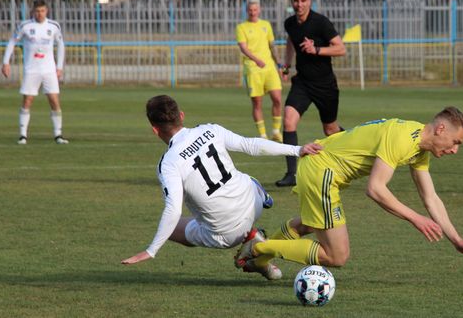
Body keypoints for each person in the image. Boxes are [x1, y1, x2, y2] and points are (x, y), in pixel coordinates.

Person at [234, 107, 463, 270]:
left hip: (318, 167)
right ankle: (258, 248)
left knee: (313, 224)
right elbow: (376, 189)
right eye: (456, 142)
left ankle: (260, 258)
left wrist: (456, 239)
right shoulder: (402, 138)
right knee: (337, 255)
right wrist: (415, 219)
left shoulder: (419, 149)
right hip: (322, 170)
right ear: (441, 128)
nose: (455, 150)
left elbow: (431, 198)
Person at [121, 95, 323, 280]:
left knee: (173, 228)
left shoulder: (168, 163)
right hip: (254, 204)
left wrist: (151, 250)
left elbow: (173, 209)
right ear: (181, 116)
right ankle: (260, 212)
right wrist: (297, 149)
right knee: (242, 177)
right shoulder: (210, 130)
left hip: (227, 235)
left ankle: (250, 243)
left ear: (155, 129)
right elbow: (250, 145)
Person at [276, 0, 346, 187]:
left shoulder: (321, 23)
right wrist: (287, 66)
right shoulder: (290, 23)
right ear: (292, 2)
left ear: (310, 1)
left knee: (330, 130)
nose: (299, 5)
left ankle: (355, 152)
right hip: (303, 83)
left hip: (325, 84)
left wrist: (315, 49)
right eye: (296, 1)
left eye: (303, 1)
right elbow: (291, 41)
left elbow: (341, 49)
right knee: (288, 120)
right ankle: (291, 174)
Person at [1, 0, 67, 145]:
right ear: (33, 11)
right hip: (31, 70)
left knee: (54, 100)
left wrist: (59, 66)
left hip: (49, 70)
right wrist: (6, 62)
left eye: (42, 11)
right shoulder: (25, 26)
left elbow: (61, 45)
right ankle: (23, 135)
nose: (40, 14)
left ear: (47, 11)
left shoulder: (54, 26)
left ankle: (58, 135)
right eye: (37, 11)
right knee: (27, 100)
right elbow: (12, 42)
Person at [236, 0, 283, 142]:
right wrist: (257, 60)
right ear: (247, 11)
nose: (253, 12)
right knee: (257, 103)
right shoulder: (241, 27)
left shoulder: (266, 25)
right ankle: (262, 135)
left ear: (259, 10)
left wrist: (280, 65)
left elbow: (272, 46)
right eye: (250, 10)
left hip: (269, 68)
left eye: (255, 9)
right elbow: (243, 48)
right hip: (253, 69)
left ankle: (276, 131)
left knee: (277, 99)